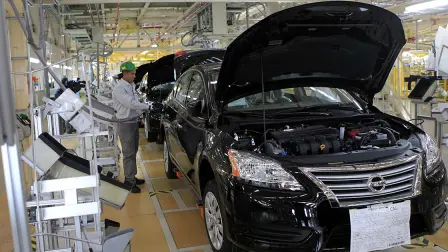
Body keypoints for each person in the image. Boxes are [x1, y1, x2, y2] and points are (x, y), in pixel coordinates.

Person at [112, 62, 160, 193]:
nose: (134, 76)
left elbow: (137, 101)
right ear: (125, 73)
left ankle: (132, 176)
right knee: (128, 153)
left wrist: (148, 104)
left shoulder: (130, 86)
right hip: (125, 123)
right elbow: (131, 103)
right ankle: (129, 181)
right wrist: (148, 107)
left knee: (133, 151)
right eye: (132, 74)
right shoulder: (119, 88)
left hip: (133, 122)